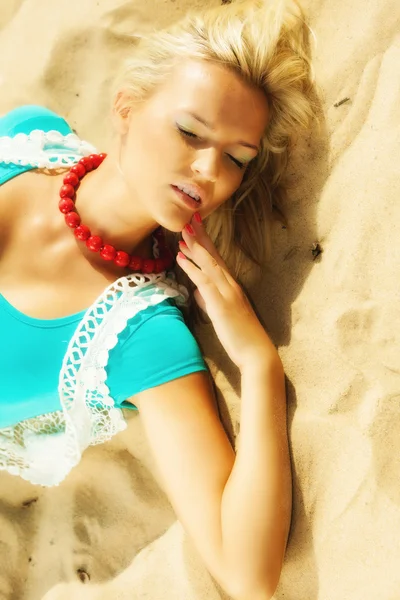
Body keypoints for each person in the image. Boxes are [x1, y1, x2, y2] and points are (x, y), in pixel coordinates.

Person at [0, 0, 316, 598]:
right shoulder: (24, 138)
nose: (206, 170)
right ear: (125, 107)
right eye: (189, 131)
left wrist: (259, 364)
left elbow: (247, 574)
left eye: (236, 158)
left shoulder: (137, 336)